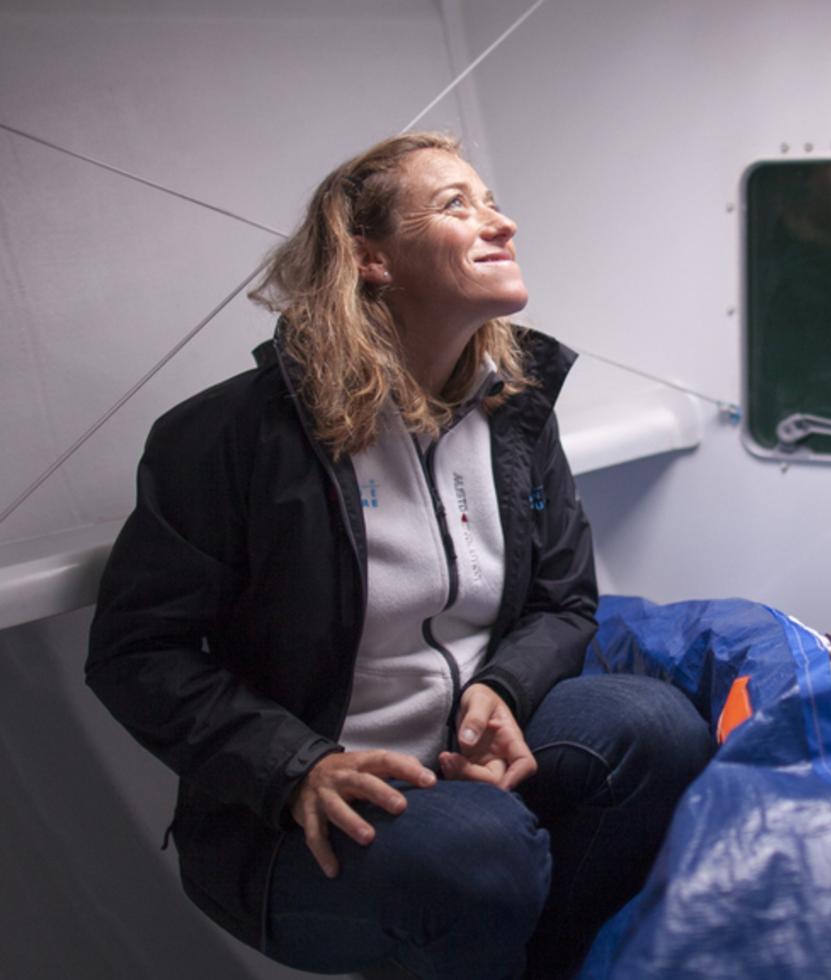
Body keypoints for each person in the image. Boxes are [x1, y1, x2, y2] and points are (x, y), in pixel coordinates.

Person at [86, 131, 714, 979]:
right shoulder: (229, 435)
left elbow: (565, 601)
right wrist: (296, 767)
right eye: (457, 205)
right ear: (371, 258)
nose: (502, 223)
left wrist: (503, 688)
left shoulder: (515, 415)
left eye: (492, 202)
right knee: (481, 852)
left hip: (464, 757)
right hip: (296, 810)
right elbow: (136, 652)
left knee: (656, 729)